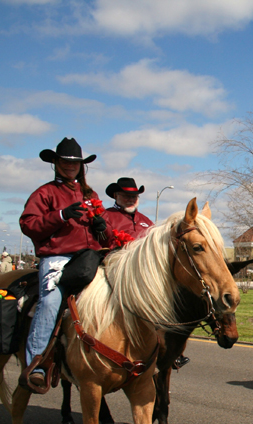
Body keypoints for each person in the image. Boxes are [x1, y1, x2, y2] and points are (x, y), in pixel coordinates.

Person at [20, 137, 110, 388]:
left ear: (81, 166)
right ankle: (36, 362)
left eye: (76, 162)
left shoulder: (90, 194)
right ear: (56, 163)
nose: (71, 166)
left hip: (89, 257)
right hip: (57, 257)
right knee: (50, 302)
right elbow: (28, 224)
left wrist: (102, 227)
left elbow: (108, 235)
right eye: (66, 162)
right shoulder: (44, 192)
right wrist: (60, 215)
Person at [103, 177, 188, 369]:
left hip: (141, 274)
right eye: (126, 195)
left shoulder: (145, 221)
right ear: (116, 196)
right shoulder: (106, 217)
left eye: (134, 195)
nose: (131, 199)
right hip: (114, 271)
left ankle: (172, 350)